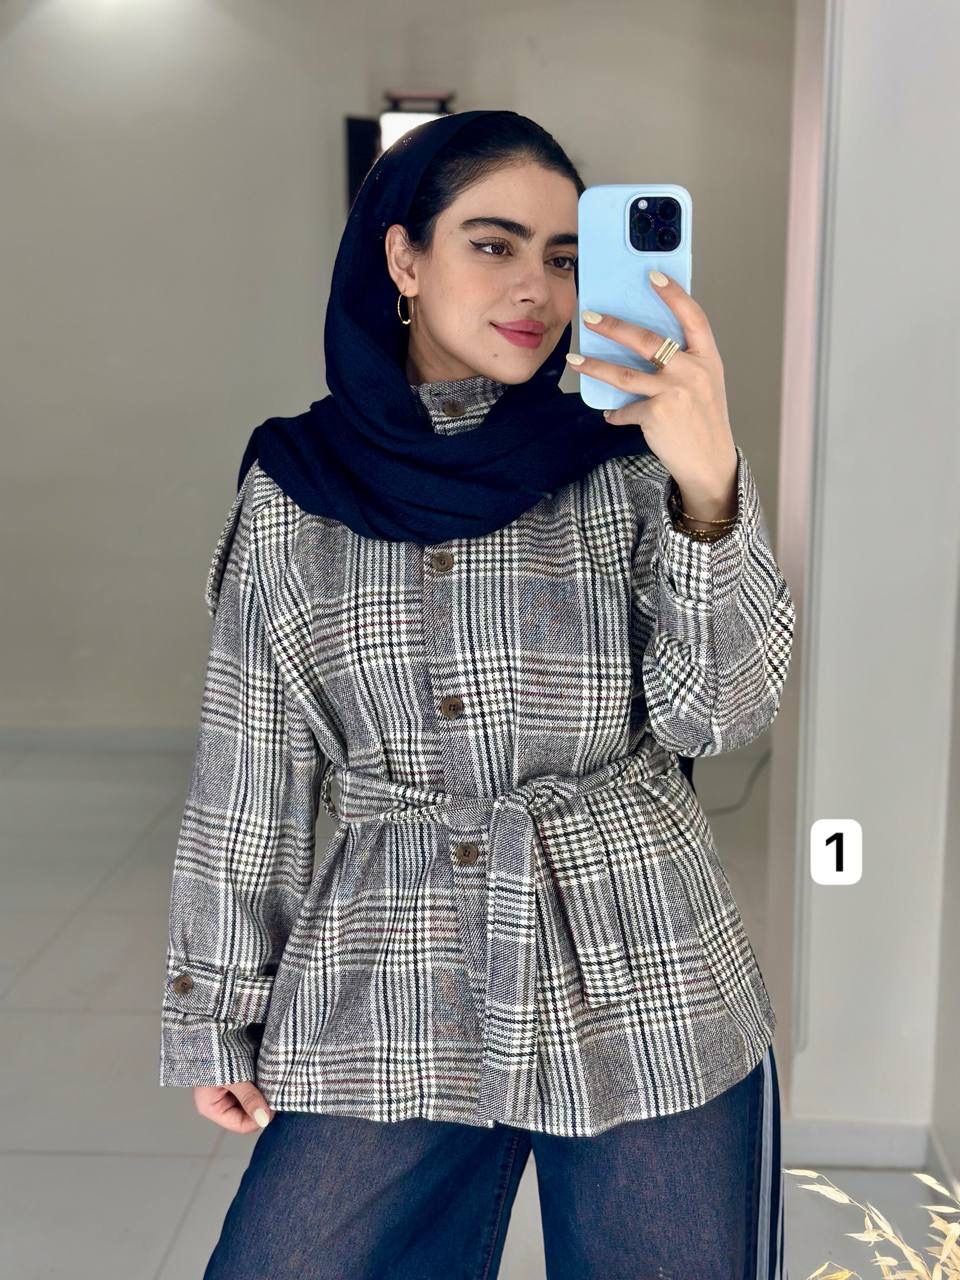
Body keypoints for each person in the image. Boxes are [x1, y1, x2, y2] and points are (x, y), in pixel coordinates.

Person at [159, 110, 794, 1278]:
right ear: (404, 258)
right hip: (390, 958)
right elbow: (251, 765)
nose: (535, 289)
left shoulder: (628, 454)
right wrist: (215, 1006)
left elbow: (722, 714)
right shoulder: (297, 486)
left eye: (564, 256)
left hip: (643, 956)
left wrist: (709, 485)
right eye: (493, 244)